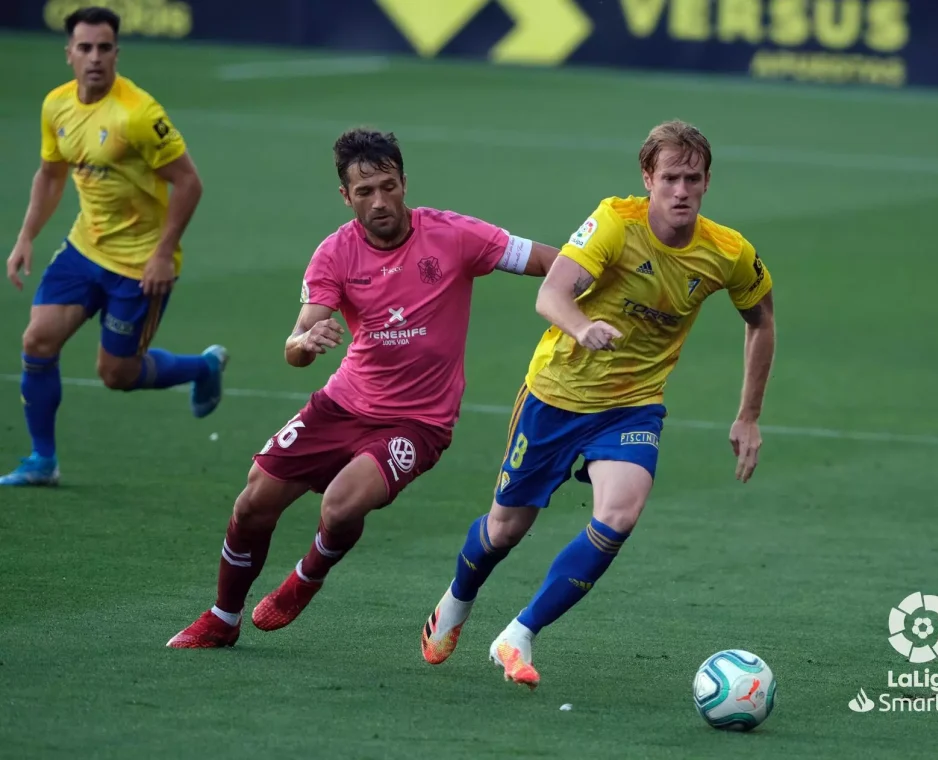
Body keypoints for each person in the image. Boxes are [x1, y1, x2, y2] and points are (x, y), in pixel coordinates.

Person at [167, 127, 558, 649]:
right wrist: (307, 340)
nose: (380, 201)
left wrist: (597, 281)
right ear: (345, 196)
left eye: (388, 186)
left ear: (403, 183)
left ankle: (306, 577)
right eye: (365, 191)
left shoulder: (455, 235)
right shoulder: (334, 253)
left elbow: (547, 261)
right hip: (342, 403)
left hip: (418, 423)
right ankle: (223, 616)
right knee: (252, 503)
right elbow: (298, 340)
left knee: (341, 503)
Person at [420, 120, 777, 689]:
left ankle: (519, 633)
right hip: (557, 395)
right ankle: (458, 600)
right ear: (647, 178)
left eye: (692, 178)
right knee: (506, 529)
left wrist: (749, 414)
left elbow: (761, 320)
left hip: (632, 406)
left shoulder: (728, 253)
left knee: (620, 513)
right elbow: (550, 293)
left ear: (708, 181)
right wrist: (583, 327)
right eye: (669, 178)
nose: (681, 190)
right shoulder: (614, 222)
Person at [2, 6, 226, 487]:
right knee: (37, 341)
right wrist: (26, 237)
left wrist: (164, 253)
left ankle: (204, 366)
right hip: (85, 249)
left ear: (117, 53)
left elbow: (189, 183)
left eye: (105, 48)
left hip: (140, 263)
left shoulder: (139, 114)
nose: (95, 58)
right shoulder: (56, 106)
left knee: (116, 374)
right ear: (69, 55)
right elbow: (51, 173)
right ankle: (42, 460)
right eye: (85, 48)